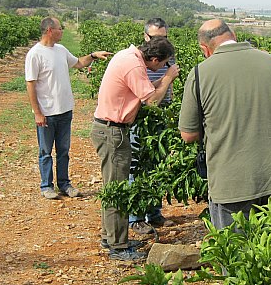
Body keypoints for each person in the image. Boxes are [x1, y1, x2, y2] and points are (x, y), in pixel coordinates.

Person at [179, 19, 271, 230]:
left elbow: (188, 134)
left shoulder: (200, 74)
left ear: (204, 48)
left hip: (232, 183)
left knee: (236, 255)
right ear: (233, 35)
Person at [91, 36, 179, 261]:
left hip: (111, 129)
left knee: (113, 187)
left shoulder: (130, 57)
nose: (161, 70)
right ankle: (118, 246)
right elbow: (152, 101)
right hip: (113, 132)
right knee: (117, 190)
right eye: (163, 65)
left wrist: (162, 80)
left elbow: (146, 91)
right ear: (155, 59)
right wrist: (168, 79)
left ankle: (110, 236)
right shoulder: (134, 66)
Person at [25, 17, 112, 200]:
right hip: (47, 113)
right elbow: (30, 84)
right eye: (60, 28)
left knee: (63, 150)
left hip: (65, 111)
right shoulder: (35, 54)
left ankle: (64, 184)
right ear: (50, 30)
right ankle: (46, 186)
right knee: (45, 152)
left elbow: (79, 63)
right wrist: (38, 113)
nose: (62, 31)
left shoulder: (61, 50)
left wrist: (93, 56)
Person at [128, 18, 176, 234]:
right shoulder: (138, 60)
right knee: (137, 165)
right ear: (145, 37)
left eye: (164, 37)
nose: (160, 41)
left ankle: (154, 213)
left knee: (157, 165)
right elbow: (147, 97)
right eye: (156, 37)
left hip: (162, 112)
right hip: (142, 113)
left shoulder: (168, 54)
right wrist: (166, 79)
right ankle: (136, 217)